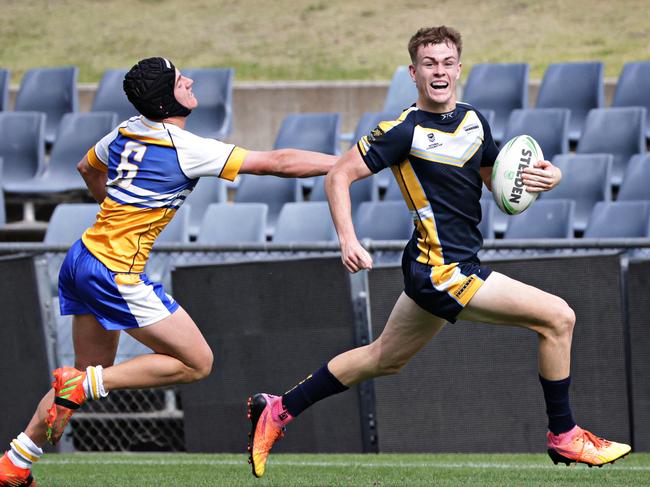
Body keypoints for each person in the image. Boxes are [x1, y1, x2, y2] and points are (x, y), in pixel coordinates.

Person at [247, 26, 631, 478]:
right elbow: (338, 175)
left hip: (439, 264)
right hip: (441, 269)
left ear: (459, 68)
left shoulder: (474, 120)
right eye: (429, 63)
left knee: (382, 359)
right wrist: (348, 239)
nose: (439, 71)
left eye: (447, 62)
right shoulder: (402, 130)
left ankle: (277, 409)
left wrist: (547, 179)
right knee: (559, 317)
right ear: (414, 72)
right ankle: (564, 436)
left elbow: (500, 185)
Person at [0, 56, 337, 487]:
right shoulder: (186, 147)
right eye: (181, 80)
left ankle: (16, 461)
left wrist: (117, 206)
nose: (191, 81)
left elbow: (87, 168)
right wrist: (350, 162)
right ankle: (83, 387)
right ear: (166, 97)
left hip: (82, 257)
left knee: (84, 379)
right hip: (113, 268)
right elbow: (278, 162)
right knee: (196, 362)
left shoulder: (126, 129)